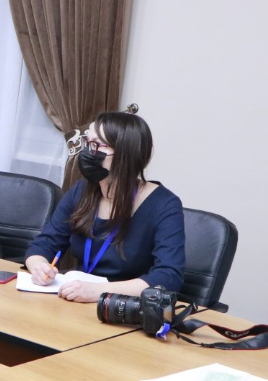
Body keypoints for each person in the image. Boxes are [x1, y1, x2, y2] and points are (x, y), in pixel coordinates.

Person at [24, 110, 184, 303]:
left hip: (124, 307)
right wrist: (39, 267)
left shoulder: (164, 205)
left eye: (98, 145)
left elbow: (168, 277)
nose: (88, 152)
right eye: (88, 142)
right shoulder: (81, 190)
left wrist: (99, 291)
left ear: (126, 155)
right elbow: (43, 245)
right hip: (77, 299)